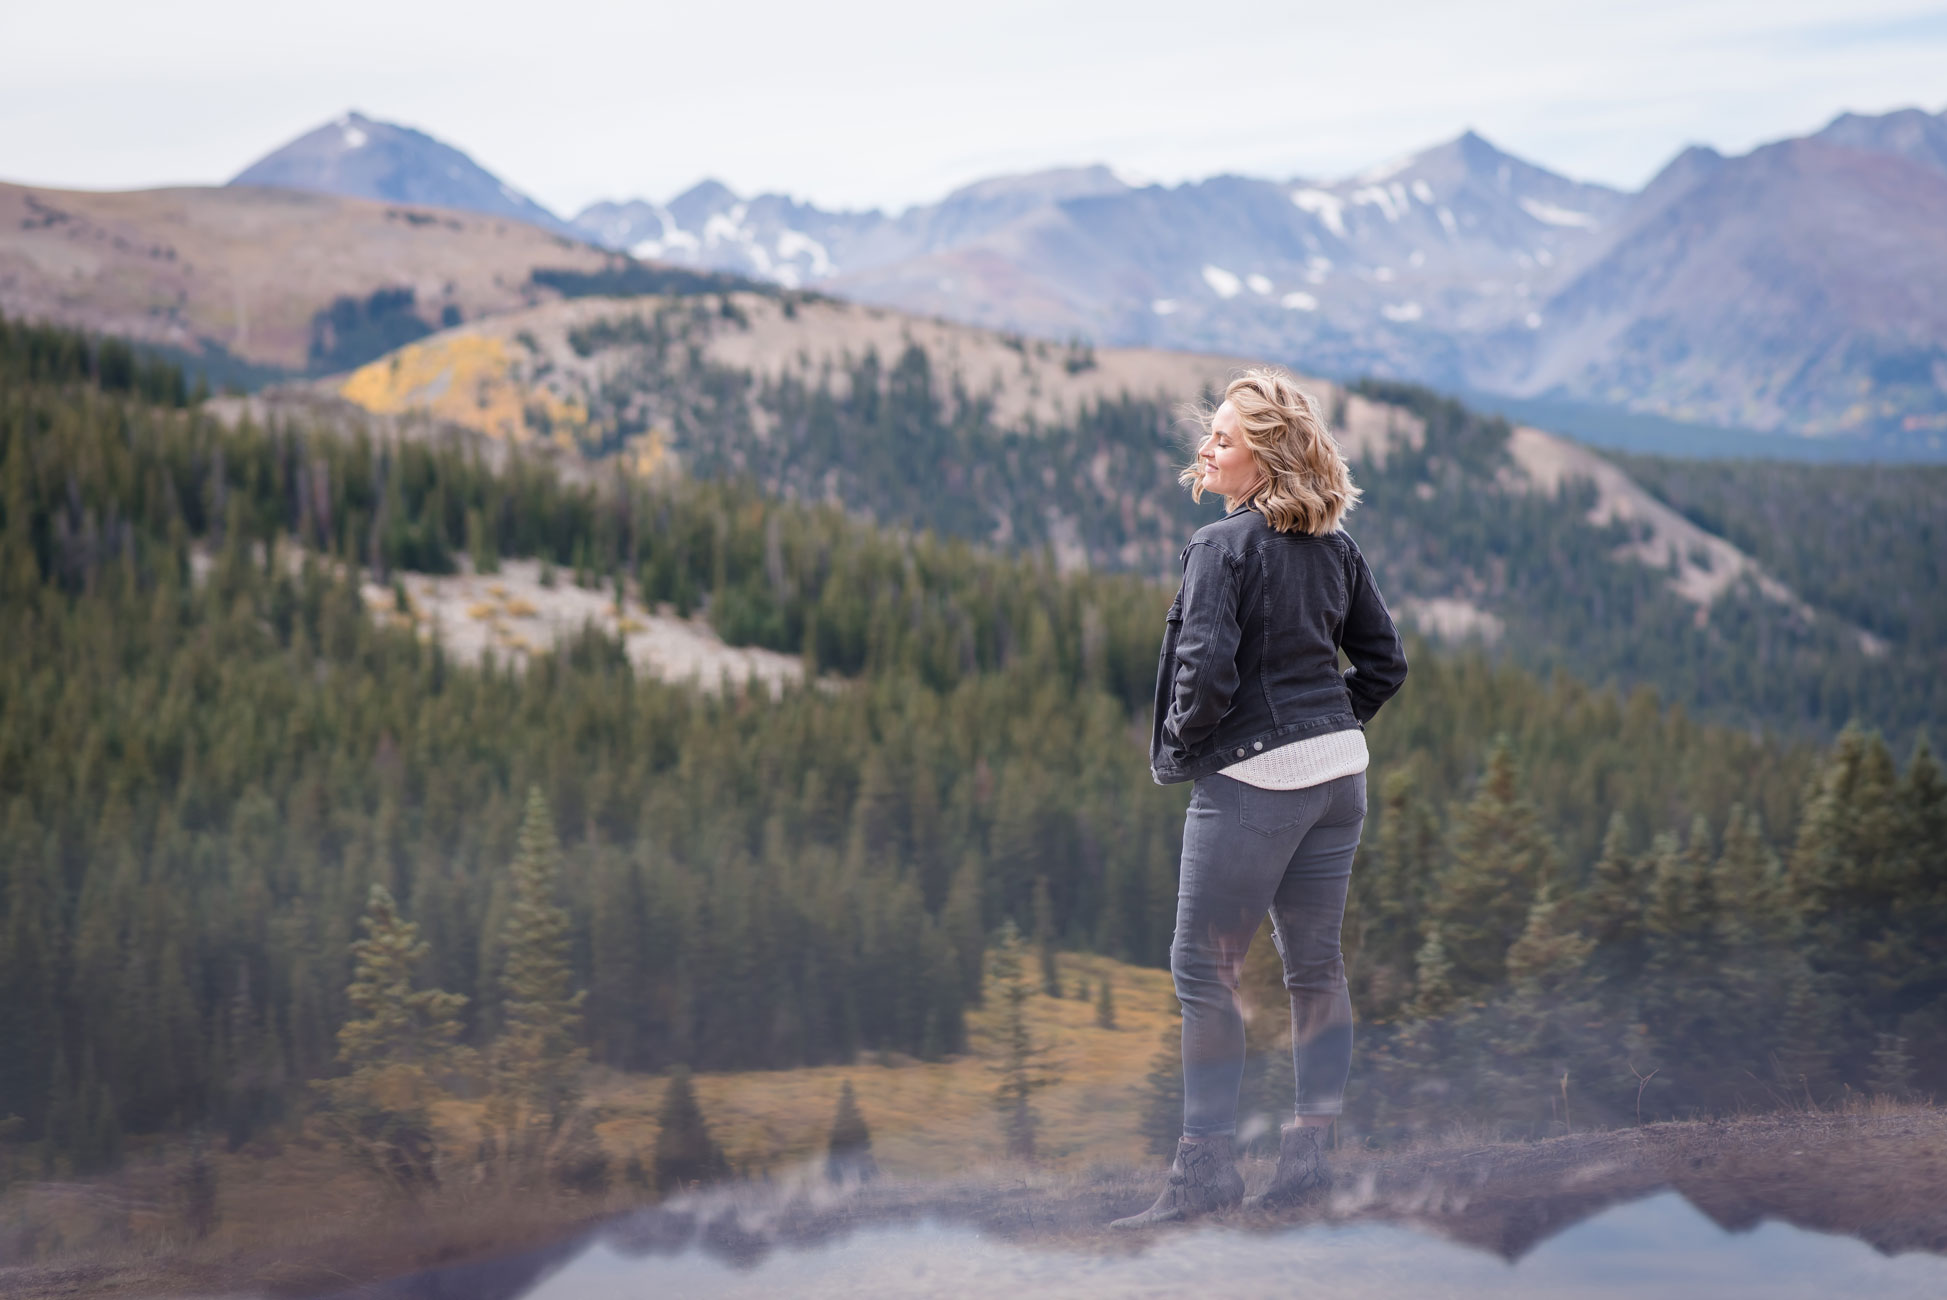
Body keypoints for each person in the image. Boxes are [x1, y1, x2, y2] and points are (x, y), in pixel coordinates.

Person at [1111, 367, 1407, 1229]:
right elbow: (1384, 664)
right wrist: (1322, 726)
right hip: (1339, 780)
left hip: (1253, 783)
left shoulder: (1218, 547)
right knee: (1315, 968)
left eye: (1225, 438)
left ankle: (1203, 1172)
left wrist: (1179, 748)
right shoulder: (1336, 549)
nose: (1206, 447)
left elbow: (1203, 676)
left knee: (1204, 972)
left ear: (1263, 459)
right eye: (1209, 432)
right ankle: (1309, 1159)